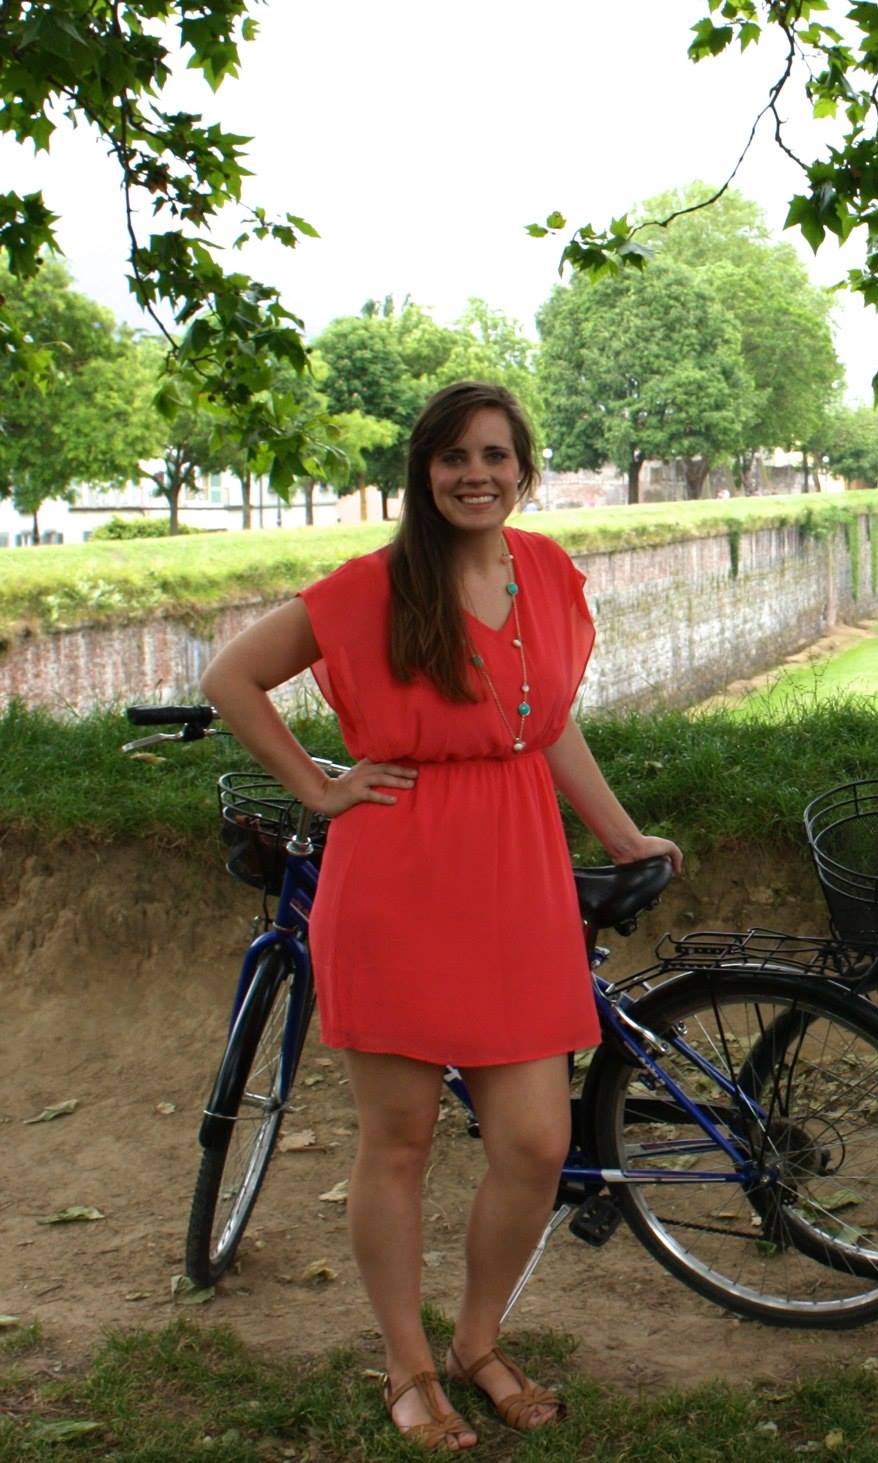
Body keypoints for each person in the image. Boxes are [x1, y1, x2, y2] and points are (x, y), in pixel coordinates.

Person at [200, 381, 680, 1451]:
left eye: (496, 455)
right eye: (455, 456)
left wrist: (618, 834)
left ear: (523, 468)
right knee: (399, 1138)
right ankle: (408, 1365)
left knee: (536, 1140)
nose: (477, 474)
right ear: (424, 471)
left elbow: (546, 725)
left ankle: (476, 1338)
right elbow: (232, 676)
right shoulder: (371, 586)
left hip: (518, 876)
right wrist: (318, 784)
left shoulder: (544, 571)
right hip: (397, 877)